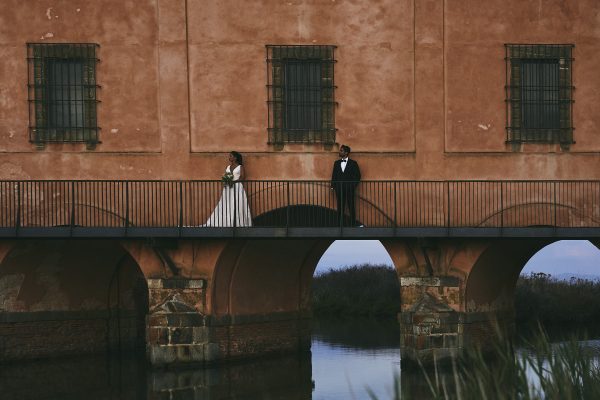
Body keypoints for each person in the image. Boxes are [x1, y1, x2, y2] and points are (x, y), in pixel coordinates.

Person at [204, 151, 253, 227]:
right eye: (229, 156)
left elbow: (242, 177)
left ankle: (238, 222)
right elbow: (226, 176)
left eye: (231, 156)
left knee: (237, 203)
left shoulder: (240, 167)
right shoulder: (227, 167)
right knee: (227, 203)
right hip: (228, 188)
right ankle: (226, 221)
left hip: (237, 187)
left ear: (235, 158)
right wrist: (226, 181)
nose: (229, 157)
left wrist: (233, 182)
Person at [331, 144, 361, 226]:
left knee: (351, 207)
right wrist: (333, 186)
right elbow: (334, 175)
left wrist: (352, 186)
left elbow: (357, 176)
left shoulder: (353, 163)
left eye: (341, 151)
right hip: (339, 189)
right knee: (340, 207)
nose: (339, 152)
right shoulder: (336, 163)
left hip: (349, 189)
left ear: (346, 152)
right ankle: (340, 225)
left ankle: (352, 224)